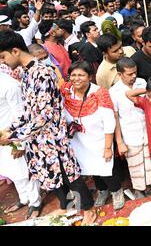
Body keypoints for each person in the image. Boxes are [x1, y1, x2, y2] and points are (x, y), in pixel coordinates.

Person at [0, 31, 95, 224]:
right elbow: (29, 111)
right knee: (51, 176)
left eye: (3, 57)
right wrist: (11, 128)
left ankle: (88, 209)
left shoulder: (42, 73)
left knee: (69, 175)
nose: (3, 62)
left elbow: (43, 116)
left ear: (15, 51)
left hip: (53, 138)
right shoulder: (26, 73)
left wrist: (13, 136)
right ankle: (65, 206)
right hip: (38, 139)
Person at [61, 61, 125, 210]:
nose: (77, 78)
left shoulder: (100, 93)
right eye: (73, 75)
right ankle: (102, 191)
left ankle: (116, 191)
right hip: (78, 141)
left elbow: (109, 122)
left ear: (90, 77)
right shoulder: (66, 92)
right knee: (89, 167)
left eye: (81, 75)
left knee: (106, 167)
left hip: (99, 140)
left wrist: (108, 147)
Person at [109, 58, 151, 198]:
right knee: (135, 165)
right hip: (130, 133)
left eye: (135, 72)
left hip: (148, 130)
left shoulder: (142, 83)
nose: (133, 76)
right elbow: (115, 118)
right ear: (120, 74)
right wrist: (120, 142)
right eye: (129, 74)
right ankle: (139, 190)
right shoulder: (114, 91)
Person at [0, 71, 41, 219]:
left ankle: (35, 202)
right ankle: (24, 199)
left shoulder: (9, 85)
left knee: (23, 171)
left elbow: (21, 115)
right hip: (1, 139)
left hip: (12, 138)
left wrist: (19, 144)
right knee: (11, 171)